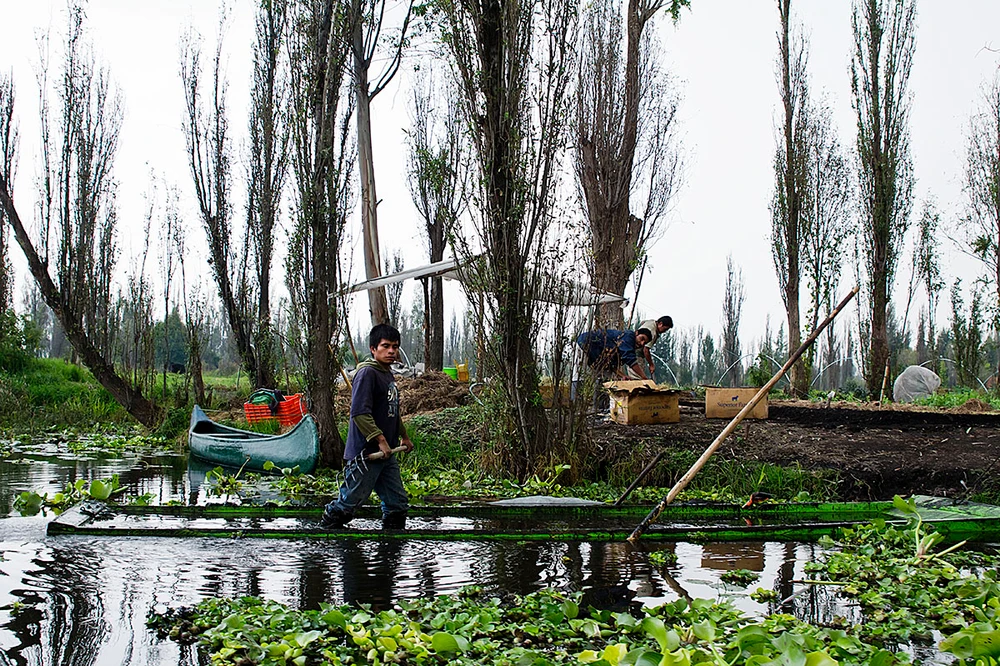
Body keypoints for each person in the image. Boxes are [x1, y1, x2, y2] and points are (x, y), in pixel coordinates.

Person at [322, 323, 413, 530]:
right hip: (367, 454)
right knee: (347, 505)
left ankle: (389, 552)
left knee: (397, 505)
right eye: (386, 346)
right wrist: (380, 440)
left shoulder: (387, 374)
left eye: (395, 347)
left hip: (386, 454)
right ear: (373, 349)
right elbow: (359, 414)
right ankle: (324, 536)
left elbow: (393, 412)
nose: (391, 351)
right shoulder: (367, 374)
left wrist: (404, 437)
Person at [576, 327, 652, 381]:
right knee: (581, 381)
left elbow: (610, 365)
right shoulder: (629, 336)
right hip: (585, 347)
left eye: (644, 343)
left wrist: (623, 376)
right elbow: (630, 359)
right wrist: (644, 377)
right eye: (642, 338)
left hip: (593, 357)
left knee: (602, 380)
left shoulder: (621, 345)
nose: (642, 343)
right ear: (636, 333)